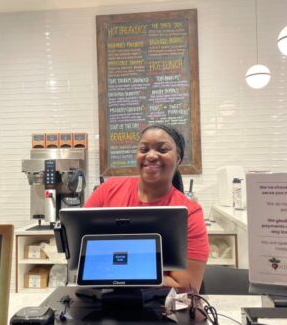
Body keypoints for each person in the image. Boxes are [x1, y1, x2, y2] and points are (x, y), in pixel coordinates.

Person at [85, 124, 209, 290]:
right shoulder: (108, 190)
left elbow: (186, 285)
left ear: (178, 158)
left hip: (160, 308)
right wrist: (156, 275)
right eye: (143, 149)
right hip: (104, 299)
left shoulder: (189, 213)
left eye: (162, 149)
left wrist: (118, 273)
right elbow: (82, 252)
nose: (151, 155)